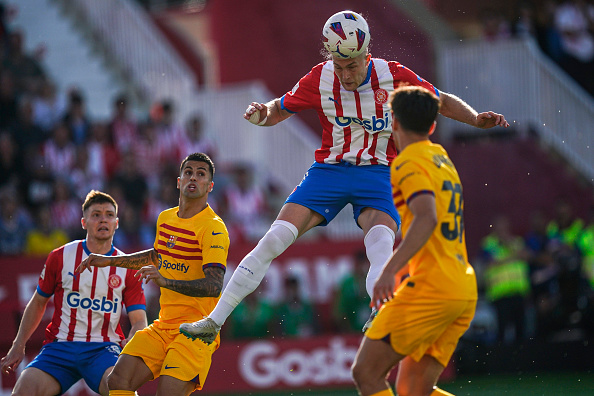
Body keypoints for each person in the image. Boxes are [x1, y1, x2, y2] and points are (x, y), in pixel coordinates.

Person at [179, 10, 508, 344]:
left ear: (368, 54)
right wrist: (262, 114)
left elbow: (439, 101)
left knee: (380, 243)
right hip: (329, 171)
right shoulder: (320, 78)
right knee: (273, 239)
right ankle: (214, 321)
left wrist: (475, 118)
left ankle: (380, 312)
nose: (346, 75)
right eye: (339, 66)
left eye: (352, 66)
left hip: (379, 172)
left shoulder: (392, 74)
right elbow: (278, 109)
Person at [351, 85, 477, 396]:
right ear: (433, 125)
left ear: (392, 121)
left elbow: (426, 218)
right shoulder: (441, 156)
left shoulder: (408, 162)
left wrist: (390, 270)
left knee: (366, 373)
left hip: (432, 288)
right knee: (412, 389)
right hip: (461, 286)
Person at [76, 153, 229, 396]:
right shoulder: (165, 218)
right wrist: (108, 260)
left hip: (196, 331)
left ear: (209, 186)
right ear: (179, 181)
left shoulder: (214, 228)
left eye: (201, 174)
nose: (193, 178)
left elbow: (214, 285)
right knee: (117, 381)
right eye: (188, 172)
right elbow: (156, 256)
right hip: (163, 325)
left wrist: (165, 281)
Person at [0, 190, 147, 396]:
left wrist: (130, 350)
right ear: (83, 222)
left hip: (103, 349)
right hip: (60, 348)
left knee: (122, 386)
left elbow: (139, 321)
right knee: (24, 389)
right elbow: (38, 302)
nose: (103, 219)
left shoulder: (127, 267)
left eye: (109, 214)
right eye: (96, 215)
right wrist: (18, 345)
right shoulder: (60, 256)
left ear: (117, 222)